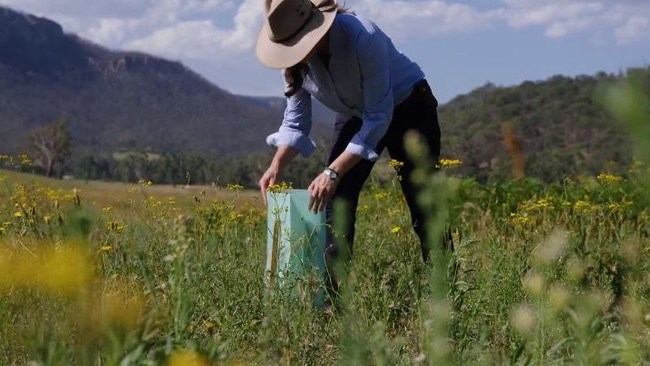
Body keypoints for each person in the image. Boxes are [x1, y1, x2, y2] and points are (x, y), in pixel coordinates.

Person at [256, 0, 451, 296]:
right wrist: (276, 165)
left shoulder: (363, 37)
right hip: (358, 112)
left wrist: (332, 171)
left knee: (423, 202)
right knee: (333, 200)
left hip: (408, 107)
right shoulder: (294, 65)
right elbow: (296, 120)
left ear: (313, 30)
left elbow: (379, 115)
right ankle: (332, 297)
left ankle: (445, 293)